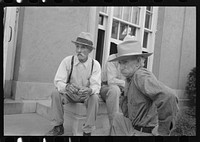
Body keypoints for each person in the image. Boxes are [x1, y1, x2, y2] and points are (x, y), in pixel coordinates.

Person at [109, 40, 179, 136]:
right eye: (120, 63)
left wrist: (162, 131)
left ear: (138, 61)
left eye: (125, 62)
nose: (121, 67)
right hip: (133, 127)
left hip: (144, 131)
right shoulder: (130, 78)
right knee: (117, 118)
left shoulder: (140, 75)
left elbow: (169, 96)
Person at [46, 32, 101, 136]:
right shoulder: (67, 61)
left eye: (83, 47)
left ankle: (87, 131)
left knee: (95, 98)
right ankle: (58, 126)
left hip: (85, 96)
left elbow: (96, 86)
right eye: (77, 47)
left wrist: (89, 90)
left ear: (89, 50)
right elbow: (58, 81)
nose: (79, 50)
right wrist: (67, 87)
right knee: (55, 93)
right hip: (70, 95)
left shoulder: (95, 65)